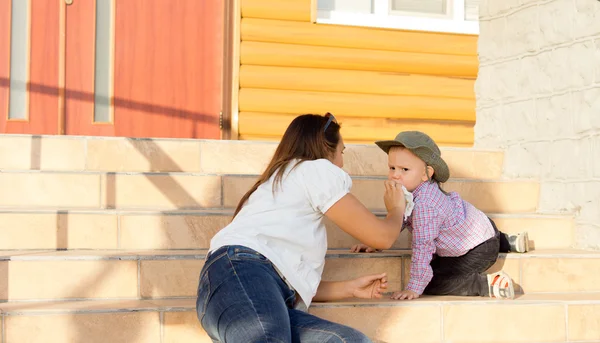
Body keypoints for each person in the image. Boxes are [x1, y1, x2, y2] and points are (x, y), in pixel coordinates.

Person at [196, 113, 407, 343]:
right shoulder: (315, 170)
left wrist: (349, 289)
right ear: (326, 151)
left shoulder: (281, 185)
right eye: (342, 152)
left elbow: (284, 278)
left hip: (241, 291)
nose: (342, 163)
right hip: (238, 274)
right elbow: (382, 237)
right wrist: (396, 209)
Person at [351, 131, 529, 301]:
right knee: (475, 224)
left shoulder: (425, 206)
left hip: (477, 250)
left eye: (405, 169)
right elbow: (401, 220)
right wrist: (376, 241)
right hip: (484, 228)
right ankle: (508, 241)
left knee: (431, 282)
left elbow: (423, 246)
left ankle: (485, 285)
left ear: (426, 173)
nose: (396, 175)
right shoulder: (412, 192)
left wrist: (415, 286)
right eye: (392, 168)